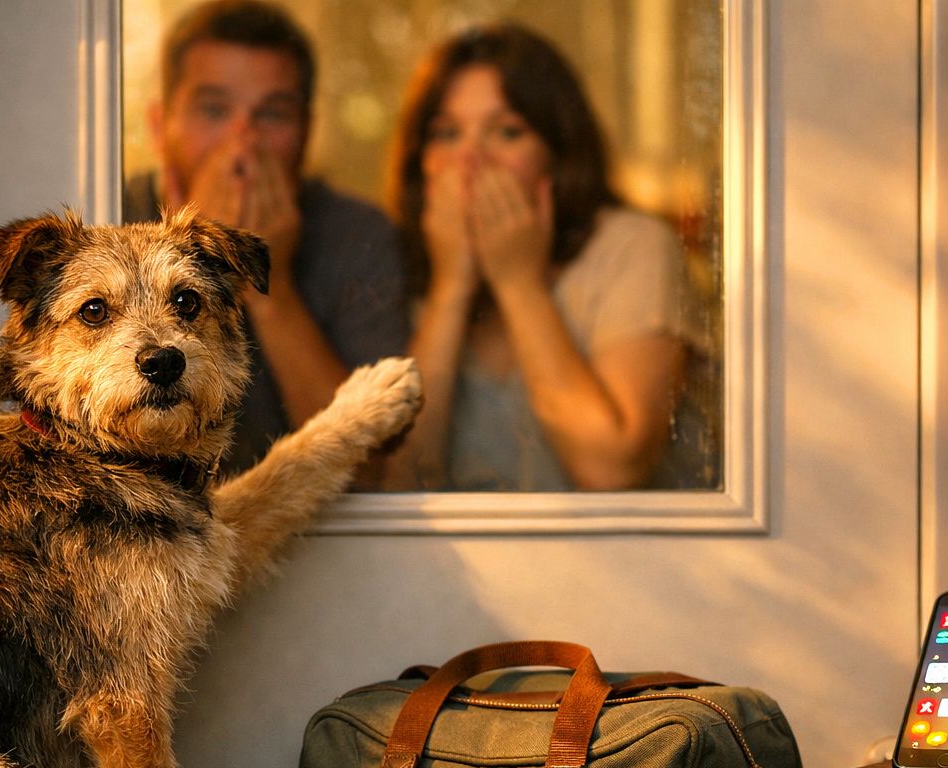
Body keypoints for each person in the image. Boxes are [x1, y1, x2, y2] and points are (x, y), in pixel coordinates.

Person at [383, 23, 712, 492]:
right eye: (447, 133)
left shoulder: (632, 247)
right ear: (421, 160)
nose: (470, 160)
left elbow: (611, 469)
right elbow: (396, 490)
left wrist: (519, 281)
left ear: (556, 157)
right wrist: (451, 289)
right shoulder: (395, 267)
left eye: (507, 131)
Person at [126, 0, 409, 475]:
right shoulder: (111, 215)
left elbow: (370, 469)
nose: (244, 142)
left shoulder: (358, 234)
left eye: (272, 115)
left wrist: (264, 283)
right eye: (214, 110)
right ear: (160, 127)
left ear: (306, 132)